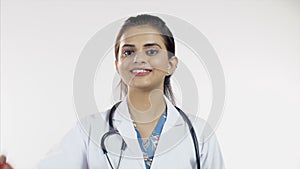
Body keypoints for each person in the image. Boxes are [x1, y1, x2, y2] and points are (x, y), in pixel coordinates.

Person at [1, 14, 225, 169]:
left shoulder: (199, 135)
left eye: (151, 50)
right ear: (117, 65)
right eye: (128, 52)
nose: (138, 58)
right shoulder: (89, 130)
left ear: (171, 64)